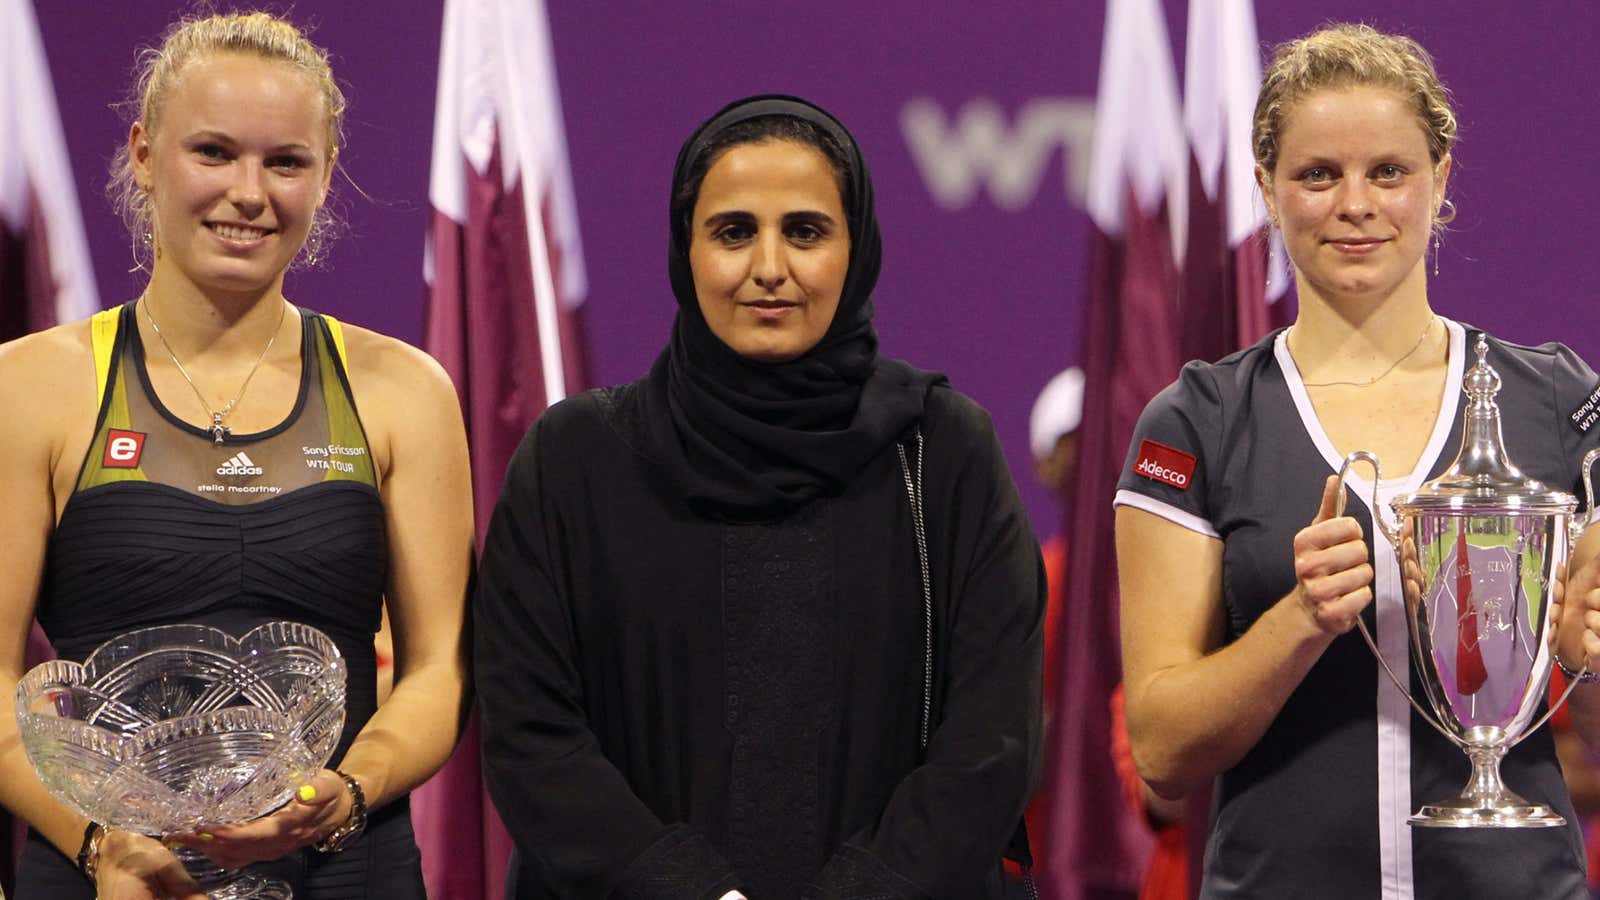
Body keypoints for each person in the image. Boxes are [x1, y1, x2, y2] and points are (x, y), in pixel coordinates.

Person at [475, 94, 1044, 899]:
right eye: (733, 230)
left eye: (805, 231)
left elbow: (995, 736)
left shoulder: (944, 449)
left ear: (858, 249)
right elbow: (529, 733)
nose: (769, 267)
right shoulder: (575, 459)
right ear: (686, 248)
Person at [1115, 23, 1600, 899]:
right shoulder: (1196, 421)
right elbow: (1161, 752)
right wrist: (1297, 622)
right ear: (1265, 186)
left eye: (1388, 171)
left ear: (1440, 177)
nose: (1356, 204)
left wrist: (1584, 660)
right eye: (1316, 174)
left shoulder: (1563, 403)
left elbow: (1597, 728)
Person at [0, 12, 473, 899]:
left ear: (326, 175)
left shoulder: (406, 390)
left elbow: (439, 668)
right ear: (144, 154)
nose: (249, 193)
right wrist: (103, 847)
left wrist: (344, 792)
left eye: (285, 162)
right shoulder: (26, 389)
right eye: (213, 152)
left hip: (349, 870)